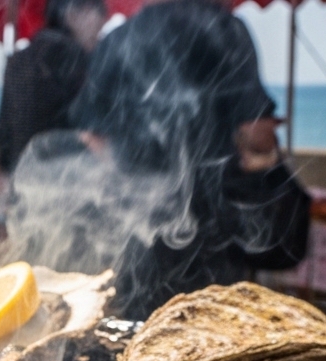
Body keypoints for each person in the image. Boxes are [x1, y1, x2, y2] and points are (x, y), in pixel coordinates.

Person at [69, 0, 310, 319]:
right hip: (210, 233)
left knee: (135, 335)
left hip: (134, 234)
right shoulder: (224, 29)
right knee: (203, 341)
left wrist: (131, 189)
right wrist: (266, 157)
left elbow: (92, 138)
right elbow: (255, 130)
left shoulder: (117, 39)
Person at [0, 0, 107, 173]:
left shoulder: (17, 61)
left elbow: (3, 137)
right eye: (99, 24)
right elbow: (95, 134)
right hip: (68, 181)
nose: (99, 34)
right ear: (73, 15)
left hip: (21, 181)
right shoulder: (77, 60)